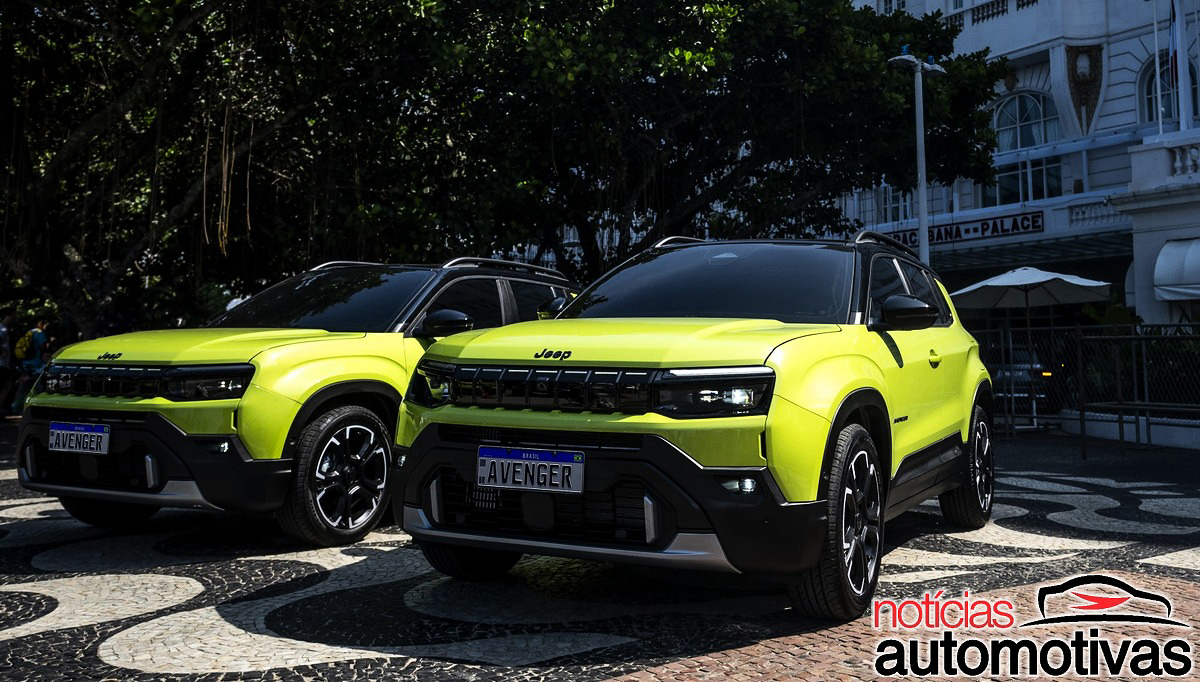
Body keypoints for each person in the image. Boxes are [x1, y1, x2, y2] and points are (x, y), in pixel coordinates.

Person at [10, 319, 50, 415]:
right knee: (37, 387)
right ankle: (34, 409)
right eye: (45, 324)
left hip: (25, 364)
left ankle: (16, 408)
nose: (46, 326)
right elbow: (43, 348)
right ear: (40, 324)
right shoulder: (40, 333)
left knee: (23, 387)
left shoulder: (28, 332)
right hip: (36, 365)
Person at [0, 308, 13, 416]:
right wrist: (1, 353)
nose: (12, 318)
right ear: (6, 317)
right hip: (1, 363)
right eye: (11, 316)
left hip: (4, 363)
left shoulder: (4, 328)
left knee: (7, 386)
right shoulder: (2, 328)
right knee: (7, 386)